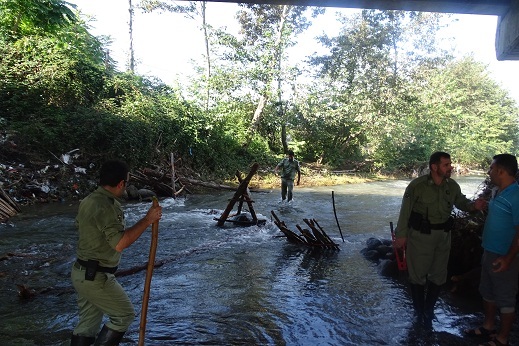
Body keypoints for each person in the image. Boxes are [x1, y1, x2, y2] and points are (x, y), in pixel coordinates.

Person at [70, 160, 162, 345]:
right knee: (124, 315)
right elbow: (119, 244)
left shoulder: (88, 200)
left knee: (87, 324)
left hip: (81, 272)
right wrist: (147, 219)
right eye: (126, 182)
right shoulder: (107, 206)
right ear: (121, 183)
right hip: (96, 276)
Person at [394, 151, 486, 328]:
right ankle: (419, 312)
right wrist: (401, 236)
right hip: (420, 237)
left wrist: (474, 206)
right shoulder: (417, 186)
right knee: (417, 276)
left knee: (438, 276)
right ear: (434, 167)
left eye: (450, 164)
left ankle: (429, 311)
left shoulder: (452, 186)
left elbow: (461, 202)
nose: (450, 167)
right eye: (446, 165)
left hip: (443, 237)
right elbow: (405, 211)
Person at [464, 154, 519, 346]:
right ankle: (488, 326)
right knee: (487, 291)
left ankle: (502, 339)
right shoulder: (497, 191)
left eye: (491, 168)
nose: (489, 172)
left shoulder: (516, 195)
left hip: (505, 256)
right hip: (489, 251)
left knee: (505, 298)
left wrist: (509, 258)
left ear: (501, 171)